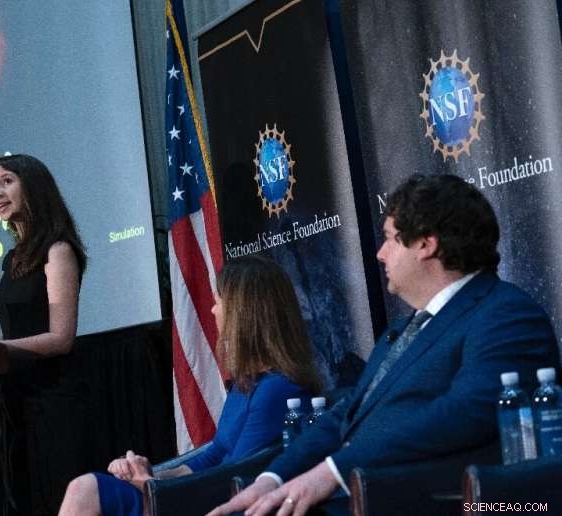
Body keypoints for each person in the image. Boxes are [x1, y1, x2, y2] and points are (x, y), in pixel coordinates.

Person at [209, 174, 560, 516]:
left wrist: (332, 472)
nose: (379, 253)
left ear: (426, 244)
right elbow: (345, 416)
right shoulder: (402, 330)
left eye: (391, 239)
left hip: (436, 501)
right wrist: (271, 478)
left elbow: (463, 413)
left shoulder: (506, 315)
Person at [58, 254, 322, 516]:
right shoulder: (247, 383)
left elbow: (235, 478)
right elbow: (213, 457)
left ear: (244, 315)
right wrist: (148, 473)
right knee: (89, 488)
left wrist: (152, 485)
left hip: (215, 504)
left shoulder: (276, 391)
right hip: (195, 494)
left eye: (218, 302)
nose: (212, 310)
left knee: (86, 490)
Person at [0, 153, 88, 515]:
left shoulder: (58, 251)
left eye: (7, 181)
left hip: (53, 401)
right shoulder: (12, 259)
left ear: (34, 187)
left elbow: (61, 337)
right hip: (15, 400)